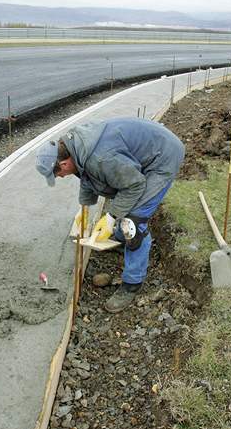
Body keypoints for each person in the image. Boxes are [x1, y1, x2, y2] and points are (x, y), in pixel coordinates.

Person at [35, 117, 185, 313]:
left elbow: (134, 184)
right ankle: (122, 240)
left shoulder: (101, 158)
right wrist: (85, 207)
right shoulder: (75, 147)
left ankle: (132, 283)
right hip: (146, 152)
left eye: (58, 175)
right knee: (124, 210)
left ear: (63, 164)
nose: (61, 178)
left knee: (133, 223)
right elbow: (87, 175)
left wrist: (112, 216)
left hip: (162, 157)